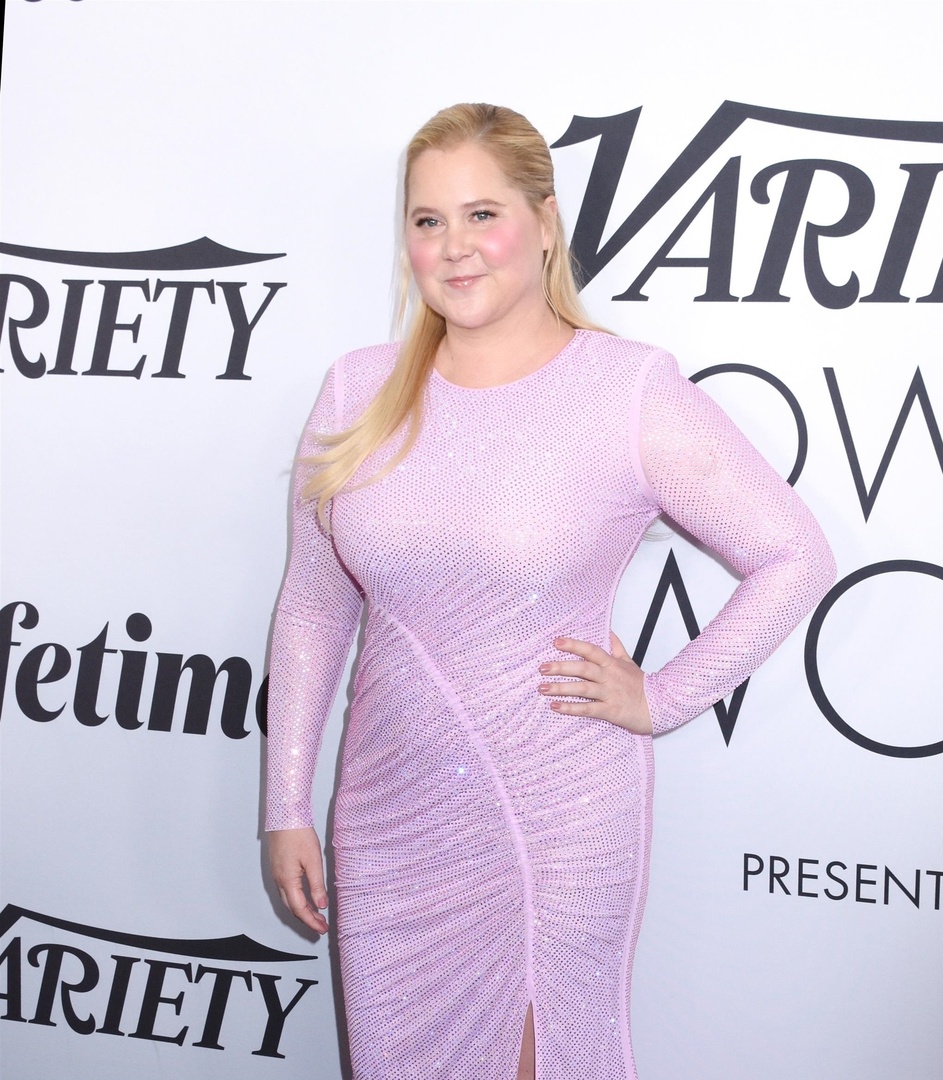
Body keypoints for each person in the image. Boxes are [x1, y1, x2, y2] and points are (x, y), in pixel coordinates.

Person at [265, 102, 835, 1080]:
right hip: (386, 818)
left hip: (552, 821)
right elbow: (314, 608)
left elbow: (794, 554)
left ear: (544, 219)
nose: (454, 249)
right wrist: (286, 805)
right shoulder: (357, 391)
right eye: (428, 220)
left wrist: (662, 696)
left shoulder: (625, 389)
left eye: (482, 214)